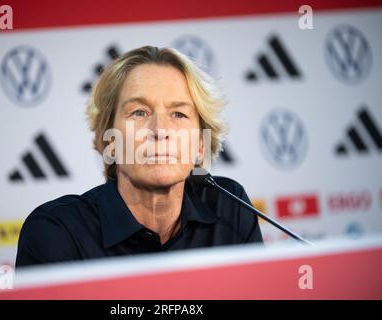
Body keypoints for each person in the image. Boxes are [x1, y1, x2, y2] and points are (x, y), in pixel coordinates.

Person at [16, 46, 263, 267]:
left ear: (200, 143)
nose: (160, 130)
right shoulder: (56, 232)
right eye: (139, 112)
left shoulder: (230, 208)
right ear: (109, 139)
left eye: (178, 114)